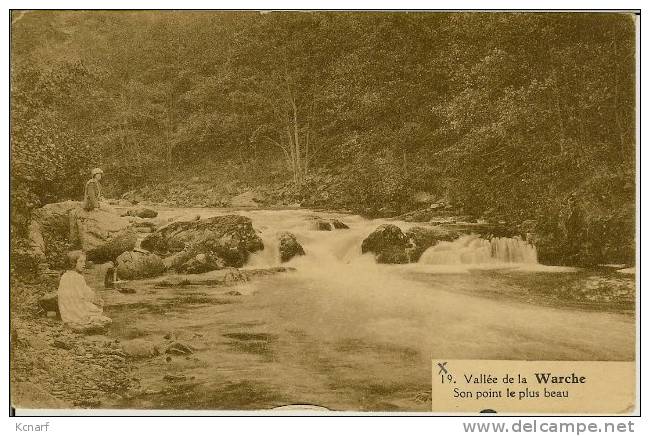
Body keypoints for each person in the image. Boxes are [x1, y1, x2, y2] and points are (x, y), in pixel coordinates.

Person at [57, 250, 112, 332]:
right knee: (102, 315)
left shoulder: (65, 275)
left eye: (84, 261)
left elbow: (83, 292)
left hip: (65, 310)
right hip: (76, 309)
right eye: (80, 261)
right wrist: (96, 300)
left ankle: (75, 321)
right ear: (73, 263)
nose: (84, 264)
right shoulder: (78, 277)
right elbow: (84, 295)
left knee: (95, 307)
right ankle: (84, 322)